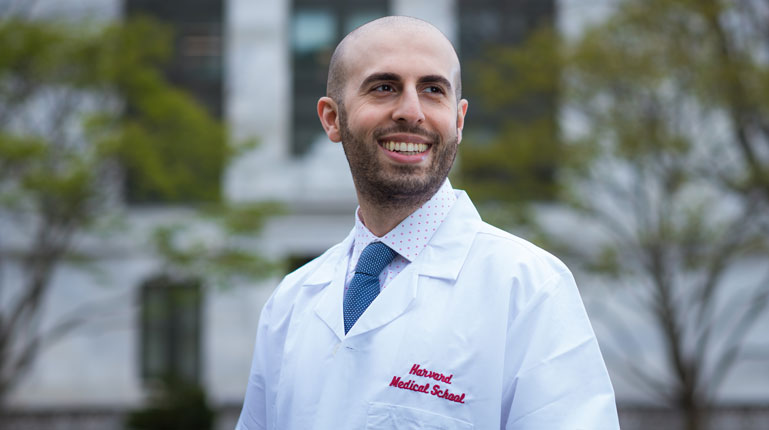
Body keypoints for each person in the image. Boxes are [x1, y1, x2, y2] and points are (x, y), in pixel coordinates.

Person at [237, 16, 619, 429]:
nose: (411, 111)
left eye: (432, 90)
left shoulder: (529, 289)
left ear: (458, 119)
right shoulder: (291, 303)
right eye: (384, 87)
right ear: (332, 118)